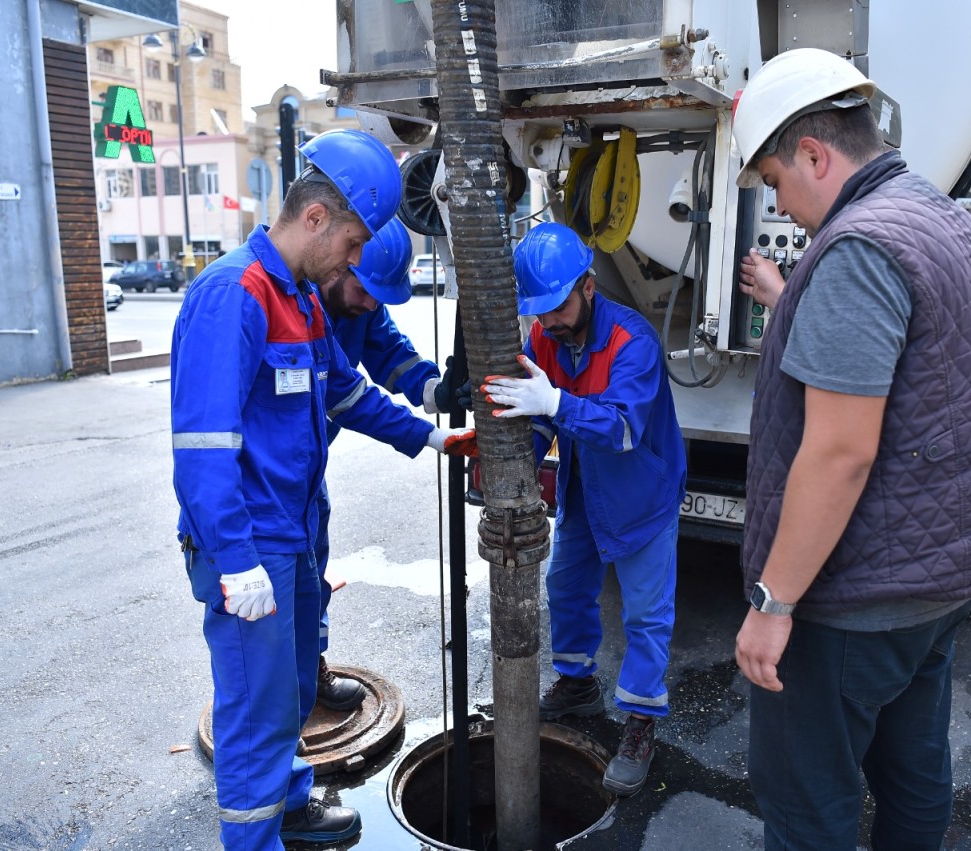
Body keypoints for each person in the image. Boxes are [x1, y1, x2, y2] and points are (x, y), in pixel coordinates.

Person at [731, 49, 971, 849]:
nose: (782, 207)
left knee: (807, 805)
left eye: (778, 183)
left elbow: (841, 451)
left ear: (816, 154)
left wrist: (773, 604)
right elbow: (916, 362)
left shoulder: (857, 247)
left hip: (855, 597)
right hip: (939, 576)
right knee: (913, 773)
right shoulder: (941, 217)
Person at [170, 128, 472, 850]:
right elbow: (203, 448)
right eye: (355, 244)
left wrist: (430, 436)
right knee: (254, 708)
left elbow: (345, 393)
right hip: (250, 544)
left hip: (294, 531)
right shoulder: (234, 295)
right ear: (316, 219)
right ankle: (255, 838)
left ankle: (292, 803)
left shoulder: (301, 299)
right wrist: (236, 559)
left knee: (293, 694)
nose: (357, 260)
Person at [482, 222, 687, 797]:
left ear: (589, 287)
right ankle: (577, 684)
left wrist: (555, 402)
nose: (547, 321)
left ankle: (642, 720)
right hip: (582, 490)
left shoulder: (634, 343)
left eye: (557, 306)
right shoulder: (545, 338)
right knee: (566, 588)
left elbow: (621, 428)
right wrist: (505, 464)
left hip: (641, 497)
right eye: (538, 311)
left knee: (646, 616)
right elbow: (535, 414)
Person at [309, 217, 472, 712]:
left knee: (312, 565)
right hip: (266, 471)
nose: (370, 304)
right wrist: (432, 435)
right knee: (274, 591)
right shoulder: (299, 304)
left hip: (308, 464)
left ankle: (309, 669)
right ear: (342, 260)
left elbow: (390, 354)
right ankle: (271, 710)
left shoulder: (360, 301)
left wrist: (433, 389)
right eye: (363, 290)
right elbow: (351, 398)